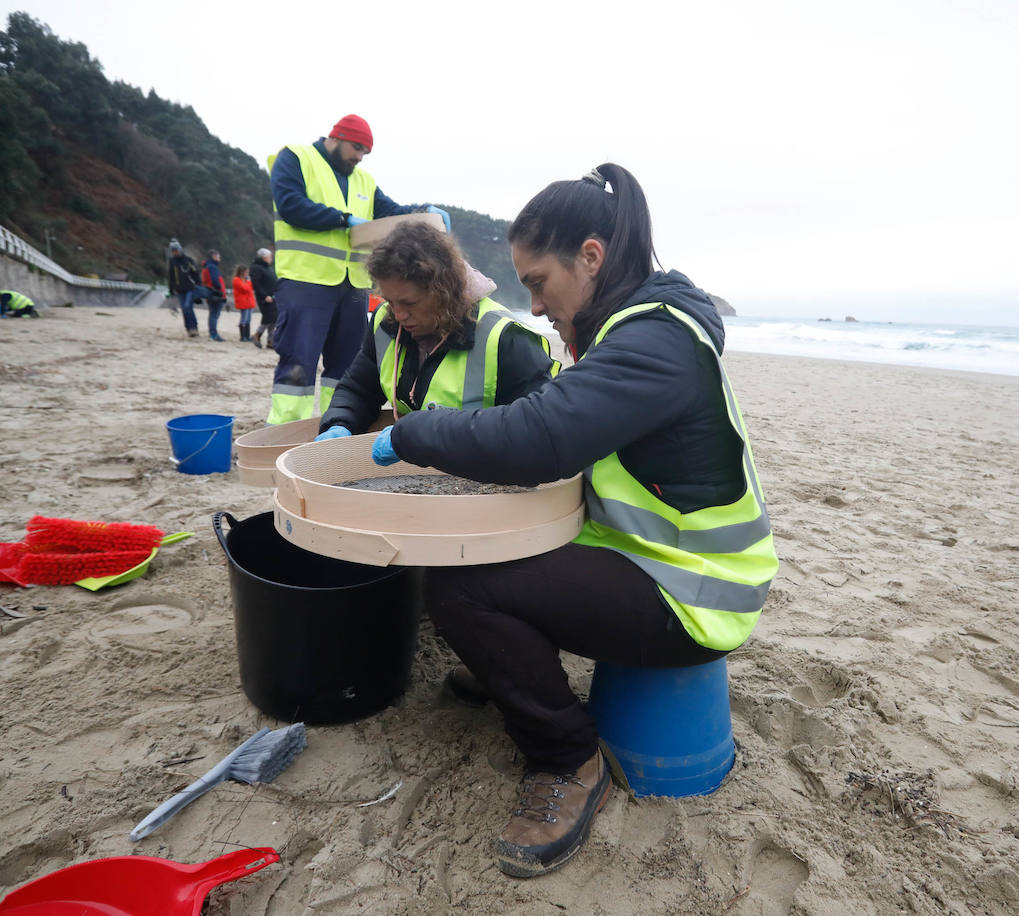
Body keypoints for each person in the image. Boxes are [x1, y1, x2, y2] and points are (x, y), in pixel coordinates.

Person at [365, 163, 778, 877]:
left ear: (591, 257)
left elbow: (540, 438)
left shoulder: (654, 342)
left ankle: (567, 758)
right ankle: (512, 666)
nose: (533, 305)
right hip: (646, 556)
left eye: (537, 282)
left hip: (695, 591)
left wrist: (418, 433)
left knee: (463, 588)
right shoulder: (628, 328)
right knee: (478, 557)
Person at [266, 114, 453, 424]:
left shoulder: (363, 180)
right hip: (305, 280)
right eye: (356, 148)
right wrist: (343, 219)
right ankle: (283, 435)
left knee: (345, 366)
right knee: (298, 364)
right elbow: (290, 204)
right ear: (336, 137)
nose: (359, 156)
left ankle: (334, 426)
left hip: (352, 287)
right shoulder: (296, 158)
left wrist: (424, 211)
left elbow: (390, 212)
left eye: (365, 152)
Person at [314, 221, 558, 440]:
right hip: (412, 473)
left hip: (483, 476)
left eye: (409, 303)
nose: (398, 315)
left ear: (445, 290)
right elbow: (359, 389)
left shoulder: (506, 338)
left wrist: (434, 436)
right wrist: (339, 423)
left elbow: (536, 429)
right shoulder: (384, 323)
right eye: (390, 301)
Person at [166, 242, 212, 337]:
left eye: (176, 250)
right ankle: (189, 329)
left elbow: (195, 273)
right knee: (184, 309)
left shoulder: (188, 260)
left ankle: (194, 328)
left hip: (190, 288)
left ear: (180, 249)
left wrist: (198, 285)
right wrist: (171, 289)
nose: (175, 253)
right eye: (173, 251)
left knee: (187, 307)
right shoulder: (172, 261)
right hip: (179, 289)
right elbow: (171, 276)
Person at [248, 248, 278, 349]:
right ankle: (257, 334)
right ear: (264, 258)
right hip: (264, 297)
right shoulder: (256, 267)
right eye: (270, 257)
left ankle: (270, 340)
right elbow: (256, 284)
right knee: (268, 317)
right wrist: (264, 296)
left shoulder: (267, 267)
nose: (271, 259)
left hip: (273, 296)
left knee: (274, 318)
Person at [199, 249, 227, 341]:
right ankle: (213, 334)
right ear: (214, 257)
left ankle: (212, 333)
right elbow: (215, 280)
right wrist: (219, 289)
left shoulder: (206, 266)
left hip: (209, 292)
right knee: (214, 314)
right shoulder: (212, 267)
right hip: (215, 293)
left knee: (212, 314)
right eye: (219, 257)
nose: (220, 259)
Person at [232, 265, 256, 342]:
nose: (247, 273)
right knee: (244, 319)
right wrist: (248, 282)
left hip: (249, 302)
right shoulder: (236, 280)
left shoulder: (246, 280)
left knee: (248, 320)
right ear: (242, 272)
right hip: (243, 302)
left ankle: (247, 336)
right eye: (246, 272)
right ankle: (243, 337)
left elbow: (251, 288)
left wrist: (248, 282)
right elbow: (245, 289)